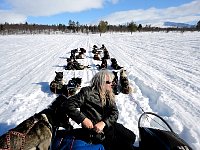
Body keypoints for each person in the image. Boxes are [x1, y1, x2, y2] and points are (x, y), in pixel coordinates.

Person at [59, 69, 136, 150]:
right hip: (96, 133)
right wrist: (83, 119)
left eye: (113, 82)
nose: (112, 84)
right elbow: (68, 104)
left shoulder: (109, 94)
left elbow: (115, 112)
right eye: (109, 82)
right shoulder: (87, 92)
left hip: (109, 126)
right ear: (101, 82)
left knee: (132, 137)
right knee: (127, 147)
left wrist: (104, 123)